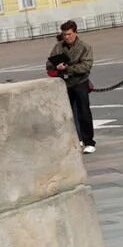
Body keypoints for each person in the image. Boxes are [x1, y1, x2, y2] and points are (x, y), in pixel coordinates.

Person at [48, 19, 97, 152]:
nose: (67, 37)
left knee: (84, 112)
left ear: (75, 32)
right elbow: (49, 64)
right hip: (64, 84)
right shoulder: (58, 47)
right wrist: (56, 66)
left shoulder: (85, 47)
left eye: (69, 34)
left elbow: (86, 66)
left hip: (80, 82)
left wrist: (68, 68)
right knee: (67, 114)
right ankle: (76, 140)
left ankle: (89, 142)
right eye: (64, 34)